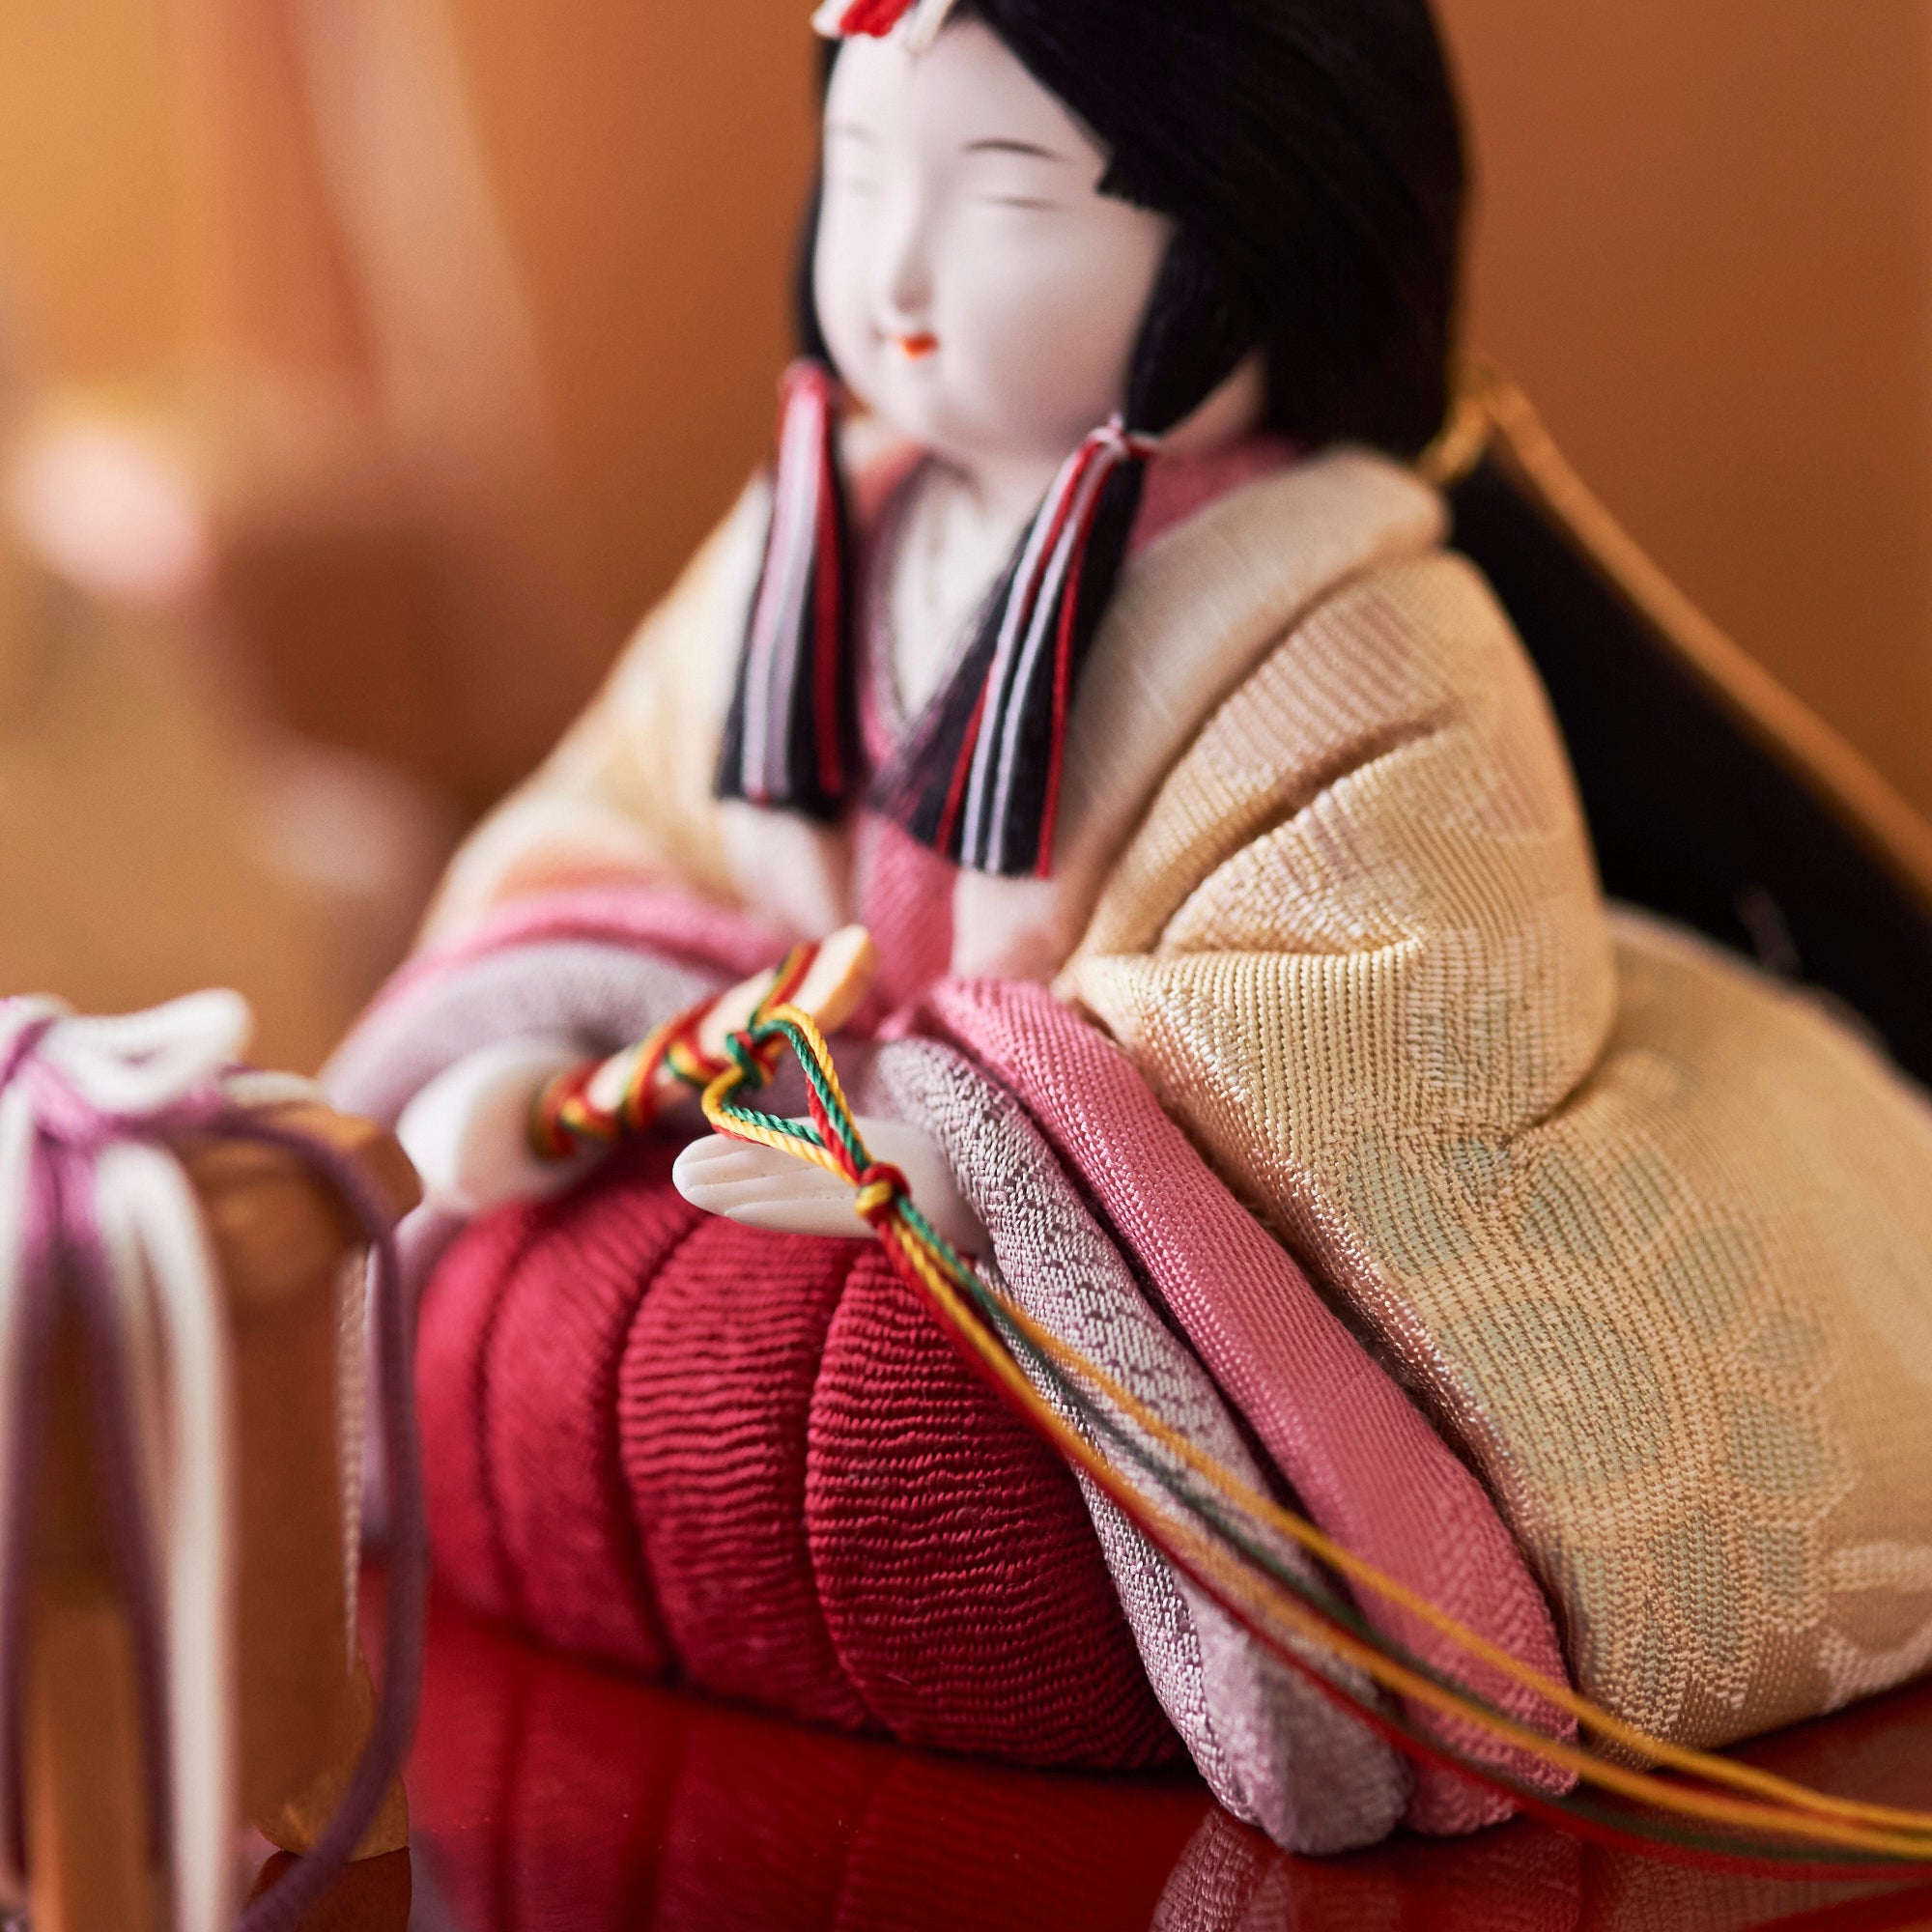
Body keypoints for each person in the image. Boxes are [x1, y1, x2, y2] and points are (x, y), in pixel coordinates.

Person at [328, 0, 1932, 1855]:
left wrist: (960, 1146)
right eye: (860, 177)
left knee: (962, 1499)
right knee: (525, 1333)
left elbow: (1401, 992)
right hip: (775, 1154)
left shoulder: (1351, 611)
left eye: (1005, 196)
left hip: (1073, 1261)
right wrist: (551, 1070)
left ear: (1249, 238)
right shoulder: (822, 523)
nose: (898, 267)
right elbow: (614, 817)